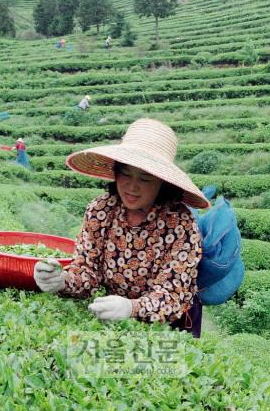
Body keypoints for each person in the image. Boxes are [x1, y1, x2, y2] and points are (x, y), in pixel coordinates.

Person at [34, 119, 210, 336]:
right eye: (126, 174)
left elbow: (173, 295)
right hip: (115, 319)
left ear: (163, 183)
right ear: (116, 173)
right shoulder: (101, 210)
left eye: (145, 179)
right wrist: (62, 281)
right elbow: (87, 269)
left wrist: (131, 307)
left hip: (170, 326)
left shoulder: (180, 224)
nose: (132, 187)